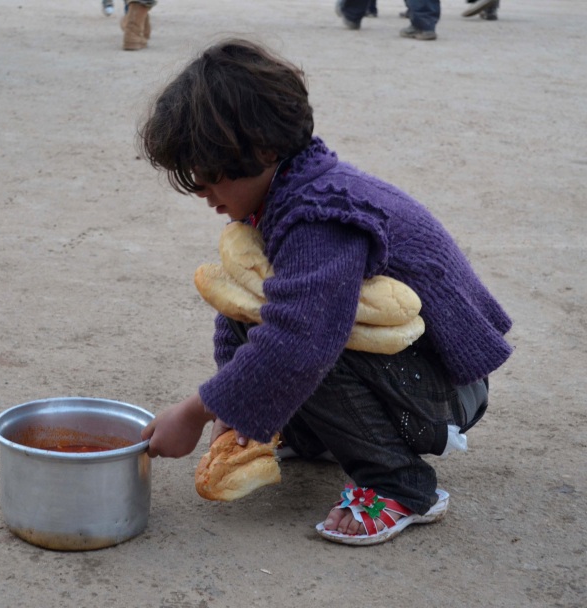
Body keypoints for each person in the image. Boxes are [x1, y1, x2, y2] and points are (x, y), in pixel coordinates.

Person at [138, 39, 512, 545]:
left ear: (265, 151)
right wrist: (239, 409)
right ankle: (307, 432)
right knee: (250, 297)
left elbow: (303, 341)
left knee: (309, 341)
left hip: (443, 395)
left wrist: (195, 410)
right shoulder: (283, 192)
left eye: (208, 176)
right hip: (404, 369)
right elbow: (245, 314)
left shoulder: (320, 216)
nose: (203, 194)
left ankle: (401, 487)